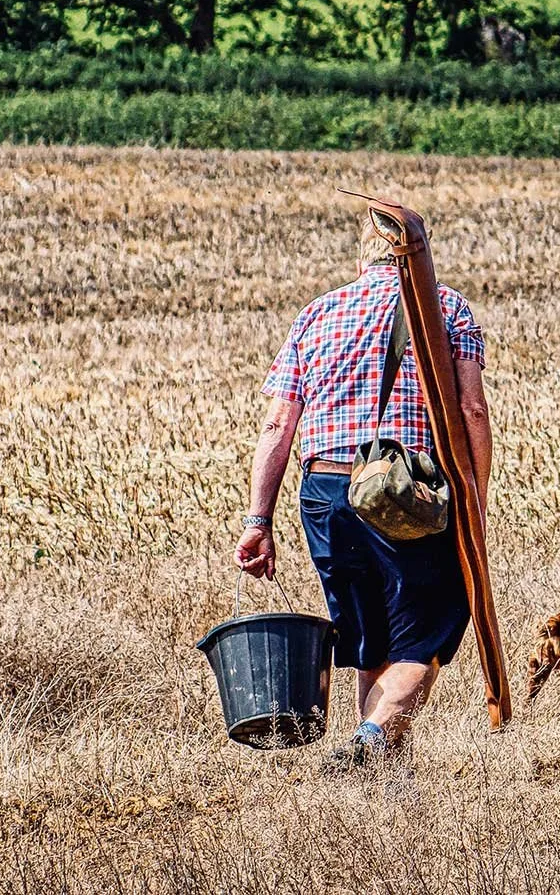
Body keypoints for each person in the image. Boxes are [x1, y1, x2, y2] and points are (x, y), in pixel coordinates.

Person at [234, 212, 491, 771]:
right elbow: (471, 408)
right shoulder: (446, 307)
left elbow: (278, 425)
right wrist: (475, 499)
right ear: (418, 256)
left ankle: (379, 778)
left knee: (369, 641)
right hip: (406, 490)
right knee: (427, 635)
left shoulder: (317, 312)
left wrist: (259, 520)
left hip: (325, 492)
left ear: (361, 262)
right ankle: (370, 739)